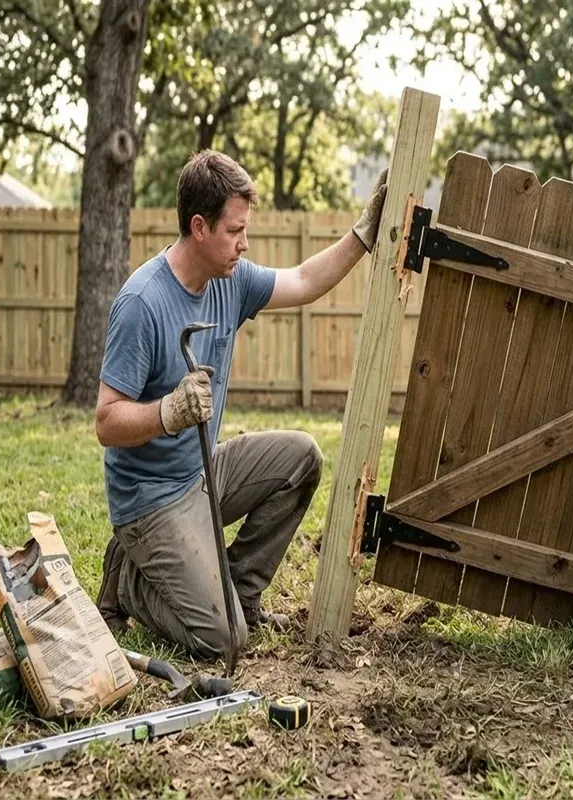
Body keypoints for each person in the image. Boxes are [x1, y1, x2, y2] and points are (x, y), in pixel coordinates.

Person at [95, 150, 387, 660]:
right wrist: (169, 412)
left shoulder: (228, 282)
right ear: (200, 227)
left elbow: (304, 280)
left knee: (300, 458)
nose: (244, 243)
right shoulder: (142, 303)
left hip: (202, 475)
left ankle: (240, 595)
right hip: (151, 500)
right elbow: (106, 422)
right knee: (223, 641)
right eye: (235, 231)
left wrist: (363, 234)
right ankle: (130, 586)